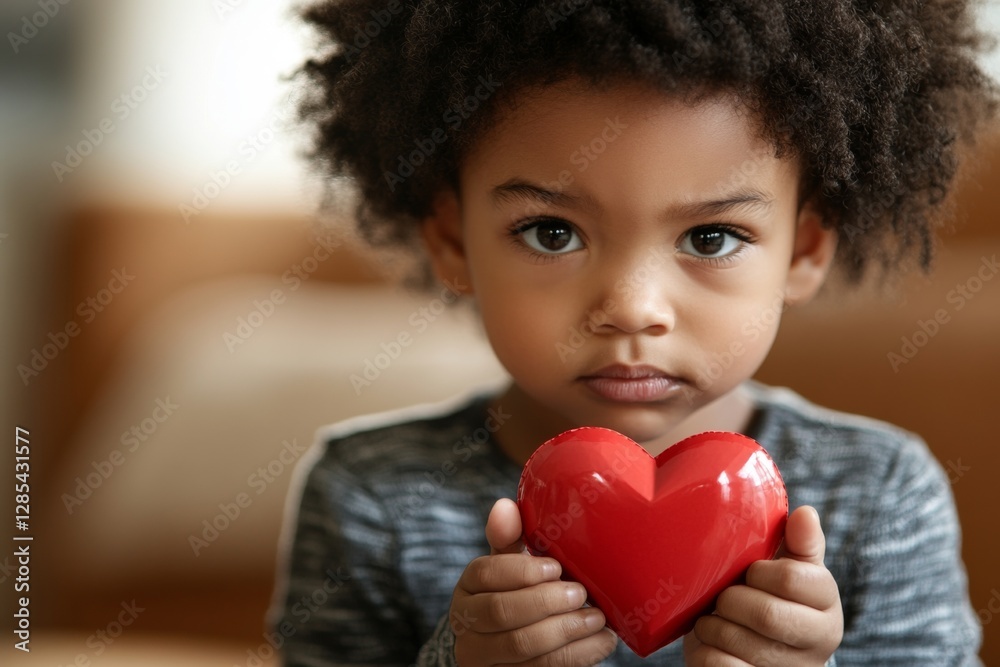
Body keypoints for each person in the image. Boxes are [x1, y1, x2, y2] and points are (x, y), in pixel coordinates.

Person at [271, 1, 997, 665]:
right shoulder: (369, 494)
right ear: (453, 241)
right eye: (552, 233)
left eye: (711, 237)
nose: (632, 307)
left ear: (803, 251)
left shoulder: (881, 495)